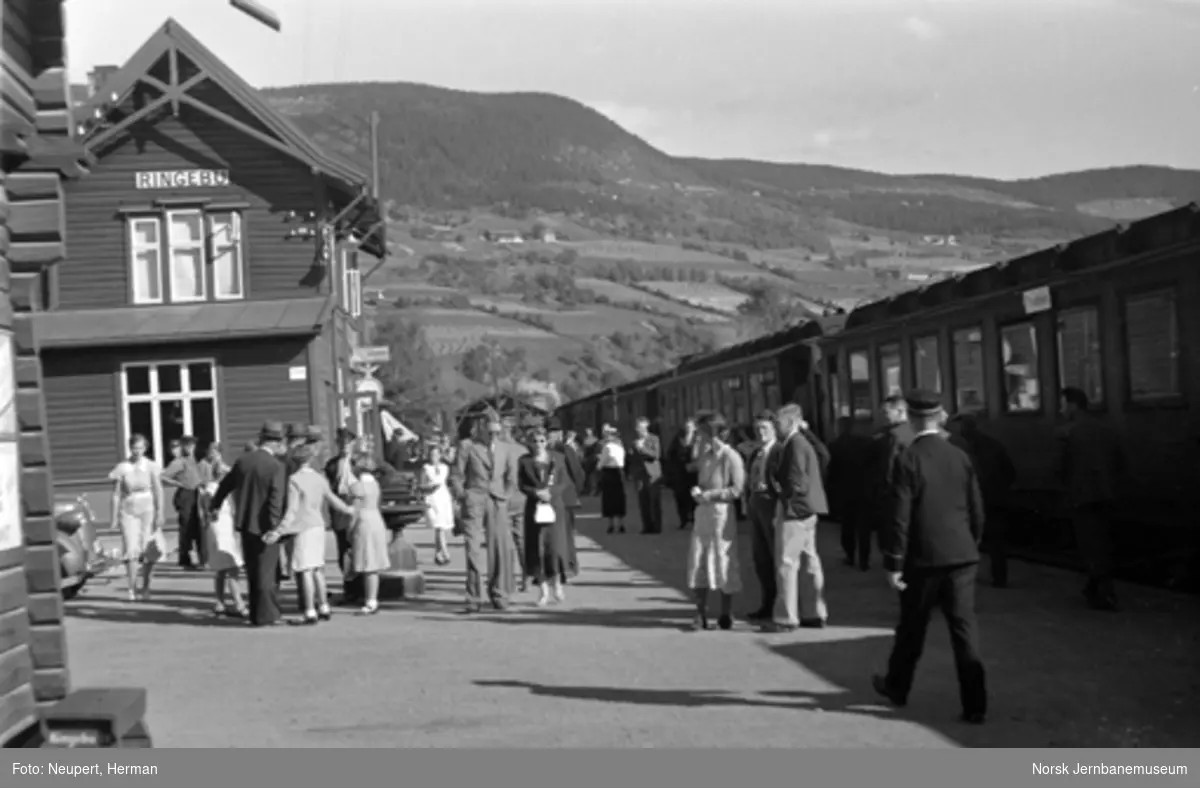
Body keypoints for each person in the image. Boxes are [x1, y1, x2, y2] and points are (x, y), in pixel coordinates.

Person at [873, 389, 988, 725]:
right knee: (964, 629)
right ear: (939, 417)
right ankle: (975, 704)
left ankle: (897, 687)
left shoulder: (907, 458)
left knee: (912, 628)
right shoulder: (960, 456)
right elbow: (977, 509)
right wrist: (971, 545)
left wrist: (894, 562)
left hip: (922, 560)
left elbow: (900, 518)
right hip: (962, 556)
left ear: (909, 419)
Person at [265, 438, 355, 624]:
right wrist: (349, 509)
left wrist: (278, 531)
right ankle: (324, 606)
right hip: (318, 525)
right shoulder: (318, 478)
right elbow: (332, 499)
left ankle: (309, 610)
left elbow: (292, 510)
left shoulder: (295, 480)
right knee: (317, 569)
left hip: (303, 527)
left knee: (304, 570)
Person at [210, 421, 288, 627]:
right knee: (267, 572)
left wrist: (215, 504)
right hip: (264, 524)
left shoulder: (243, 461)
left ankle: (256, 613)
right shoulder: (276, 466)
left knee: (253, 570)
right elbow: (275, 499)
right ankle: (267, 615)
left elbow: (225, 485)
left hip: (244, 523)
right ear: (277, 442)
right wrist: (274, 527)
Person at [1056, 386, 1125, 611]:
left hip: (1080, 497)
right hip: (1106, 495)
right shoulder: (1107, 430)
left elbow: (1059, 469)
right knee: (1103, 544)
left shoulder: (1067, 432)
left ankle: (1103, 593)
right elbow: (1120, 464)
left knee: (1089, 546)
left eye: (1063, 404)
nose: (1061, 409)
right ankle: (1097, 589)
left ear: (1073, 405)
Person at [765, 402, 830, 633]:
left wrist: (786, 501)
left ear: (791, 422)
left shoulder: (794, 445)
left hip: (795, 510)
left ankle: (786, 617)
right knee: (810, 561)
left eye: (778, 422)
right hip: (809, 509)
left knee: (786, 562)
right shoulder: (804, 443)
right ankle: (814, 612)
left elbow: (796, 481)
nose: (775, 427)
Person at [449, 413, 521, 613]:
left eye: (497, 432)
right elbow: (456, 474)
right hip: (475, 498)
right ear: (481, 428)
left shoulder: (507, 449)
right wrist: (463, 495)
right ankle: (473, 597)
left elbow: (512, 477)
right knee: (472, 549)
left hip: (497, 501)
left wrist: (505, 496)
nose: (493, 436)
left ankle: (499, 593)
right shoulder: (468, 446)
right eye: (490, 432)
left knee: (499, 548)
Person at [686, 412, 746, 631]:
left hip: (721, 512)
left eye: (704, 434)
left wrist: (711, 495)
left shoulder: (731, 456)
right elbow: (692, 468)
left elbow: (737, 489)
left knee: (723, 558)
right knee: (699, 558)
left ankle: (725, 612)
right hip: (703, 512)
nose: (701, 438)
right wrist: (699, 491)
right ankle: (700, 612)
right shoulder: (706, 455)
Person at [947, 413, 1016, 588]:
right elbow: (1009, 472)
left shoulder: (960, 449)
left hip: (970, 501)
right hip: (995, 498)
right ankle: (1000, 577)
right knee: (997, 541)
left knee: (966, 541)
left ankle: (964, 578)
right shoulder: (993, 444)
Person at [518, 426, 572, 606]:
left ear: (546, 441)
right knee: (537, 548)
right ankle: (543, 590)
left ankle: (557, 584)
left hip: (554, 506)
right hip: (534, 508)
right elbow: (521, 485)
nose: (538, 444)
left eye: (541, 440)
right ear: (529, 443)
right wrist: (535, 492)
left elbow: (564, 481)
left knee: (554, 548)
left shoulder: (557, 459)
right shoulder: (524, 461)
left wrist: (551, 492)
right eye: (534, 441)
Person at [109, 434, 166, 602]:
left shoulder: (150, 466)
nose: (137, 452)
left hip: (147, 507)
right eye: (134, 448)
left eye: (140, 448)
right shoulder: (122, 468)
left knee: (147, 547)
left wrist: (160, 512)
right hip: (128, 509)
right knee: (130, 548)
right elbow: (116, 494)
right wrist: (113, 517)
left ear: (145, 448)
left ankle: (146, 585)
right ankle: (132, 587)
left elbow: (158, 490)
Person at [865, 395, 916, 570]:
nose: (883, 416)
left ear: (900, 411)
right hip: (915, 492)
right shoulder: (915, 431)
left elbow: (888, 468)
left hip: (894, 495)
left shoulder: (893, 436)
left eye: (886, 412)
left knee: (893, 534)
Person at [201, 448, 246, 618]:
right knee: (231, 566)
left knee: (221, 569)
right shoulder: (211, 490)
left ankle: (219, 601)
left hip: (224, 527)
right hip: (220, 528)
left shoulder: (220, 490)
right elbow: (209, 512)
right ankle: (238, 602)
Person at [744, 410, 780, 622]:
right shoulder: (756, 453)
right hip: (756, 506)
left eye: (764, 428)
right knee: (761, 558)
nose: (760, 433)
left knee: (776, 556)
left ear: (774, 429)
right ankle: (767, 602)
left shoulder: (779, 451)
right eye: (757, 429)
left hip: (772, 506)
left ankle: (781, 604)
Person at [827, 417, 875, 570]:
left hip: (845, 491)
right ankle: (864, 559)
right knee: (864, 527)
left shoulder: (835, 446)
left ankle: (850, 555)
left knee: (847, 525)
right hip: (865, 489)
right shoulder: (868, 443)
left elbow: (831, 471)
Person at [347, 451, 391, 614]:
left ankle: (370, 599)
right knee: (373, 564)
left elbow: (355, 511)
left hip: (363, 522)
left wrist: (349, 529)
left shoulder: (357, 486)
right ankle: (372, 598)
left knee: (367, 563)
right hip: (377, 520)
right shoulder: (375, 485)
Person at [324, 427, 363, 606]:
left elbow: (385, 472)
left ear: (353, 444)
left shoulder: (362, 462)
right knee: (342, 551)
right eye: (340, 443)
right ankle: (349, 589)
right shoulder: (332, 464)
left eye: (347, 443)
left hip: (356, 503)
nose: (344, 447)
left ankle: (361, 588)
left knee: (357, 548)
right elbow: (328, 488)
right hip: (340, 505)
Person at [547, 417, 584, 581]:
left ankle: (570, 565)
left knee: (566, 532)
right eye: (549, 432)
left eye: (554, 432)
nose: (551, 435)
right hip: (550, 497)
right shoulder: (543, 450)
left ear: (560, 433)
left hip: (566, 496)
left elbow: (577, 472)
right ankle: (553, 566)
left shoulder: (565, 450)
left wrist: (576, 491)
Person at [162, 435, 206, 570]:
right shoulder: (179, 462)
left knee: (199, 526)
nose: (190, 448)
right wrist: (176, 483)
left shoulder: (193, 460)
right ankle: (184, 558)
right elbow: (162, 476)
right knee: (186, 526)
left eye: (192, 445)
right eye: (187, 445)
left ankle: (202, 558)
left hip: (197, 493)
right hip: (186, 494)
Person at [501, 416, 530, 592]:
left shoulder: (498, 450)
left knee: (504, 541)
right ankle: (525, 576)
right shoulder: (522, 450)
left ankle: (508, 578)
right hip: (521, 499)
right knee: (521, 540)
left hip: (505, 500)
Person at [627, 417, 664, 534]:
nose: (638, 430)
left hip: (653, 475)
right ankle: (647, 526)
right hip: (640, 475)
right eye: (637, 428)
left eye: (641, 427)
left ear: (646, 427)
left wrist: (642, 448)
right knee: (643, 502)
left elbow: (656, 455)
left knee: (654, 501)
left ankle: (657, 527)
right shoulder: (634, 441)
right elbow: (631, 459)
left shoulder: (654, 439)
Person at [421, 443, 455, 565]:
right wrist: (428, 487)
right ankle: (445, 552)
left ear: (440, 455)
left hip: (443, 498)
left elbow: (442, 480)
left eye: (435, 454)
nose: (433, 457)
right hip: (431, 499)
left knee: (440, 528)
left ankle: (438, 553)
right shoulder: (425, 468)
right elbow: (421, 484)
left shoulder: (445, 467)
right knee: (438, 526)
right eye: (431, 454)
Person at [666, 418, 700, 530]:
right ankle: (683, 519)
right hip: (680, 472)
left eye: (690, 426)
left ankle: (695, 519)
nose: (688, 428)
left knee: (694, 496)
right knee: (680, 496)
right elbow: (670, 453)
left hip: (694, 472)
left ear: (694, 427)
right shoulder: (678, 438)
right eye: (686, 426)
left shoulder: (698, 439)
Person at [597, 424, 628, 533]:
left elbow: (602, 461)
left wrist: (598, 465)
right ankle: (621, 524)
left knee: (609, 499)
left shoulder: (608, 446)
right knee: (619, 498)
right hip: (619, 472)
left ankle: (611, 525)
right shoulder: (621, 446)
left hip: (609, 473)